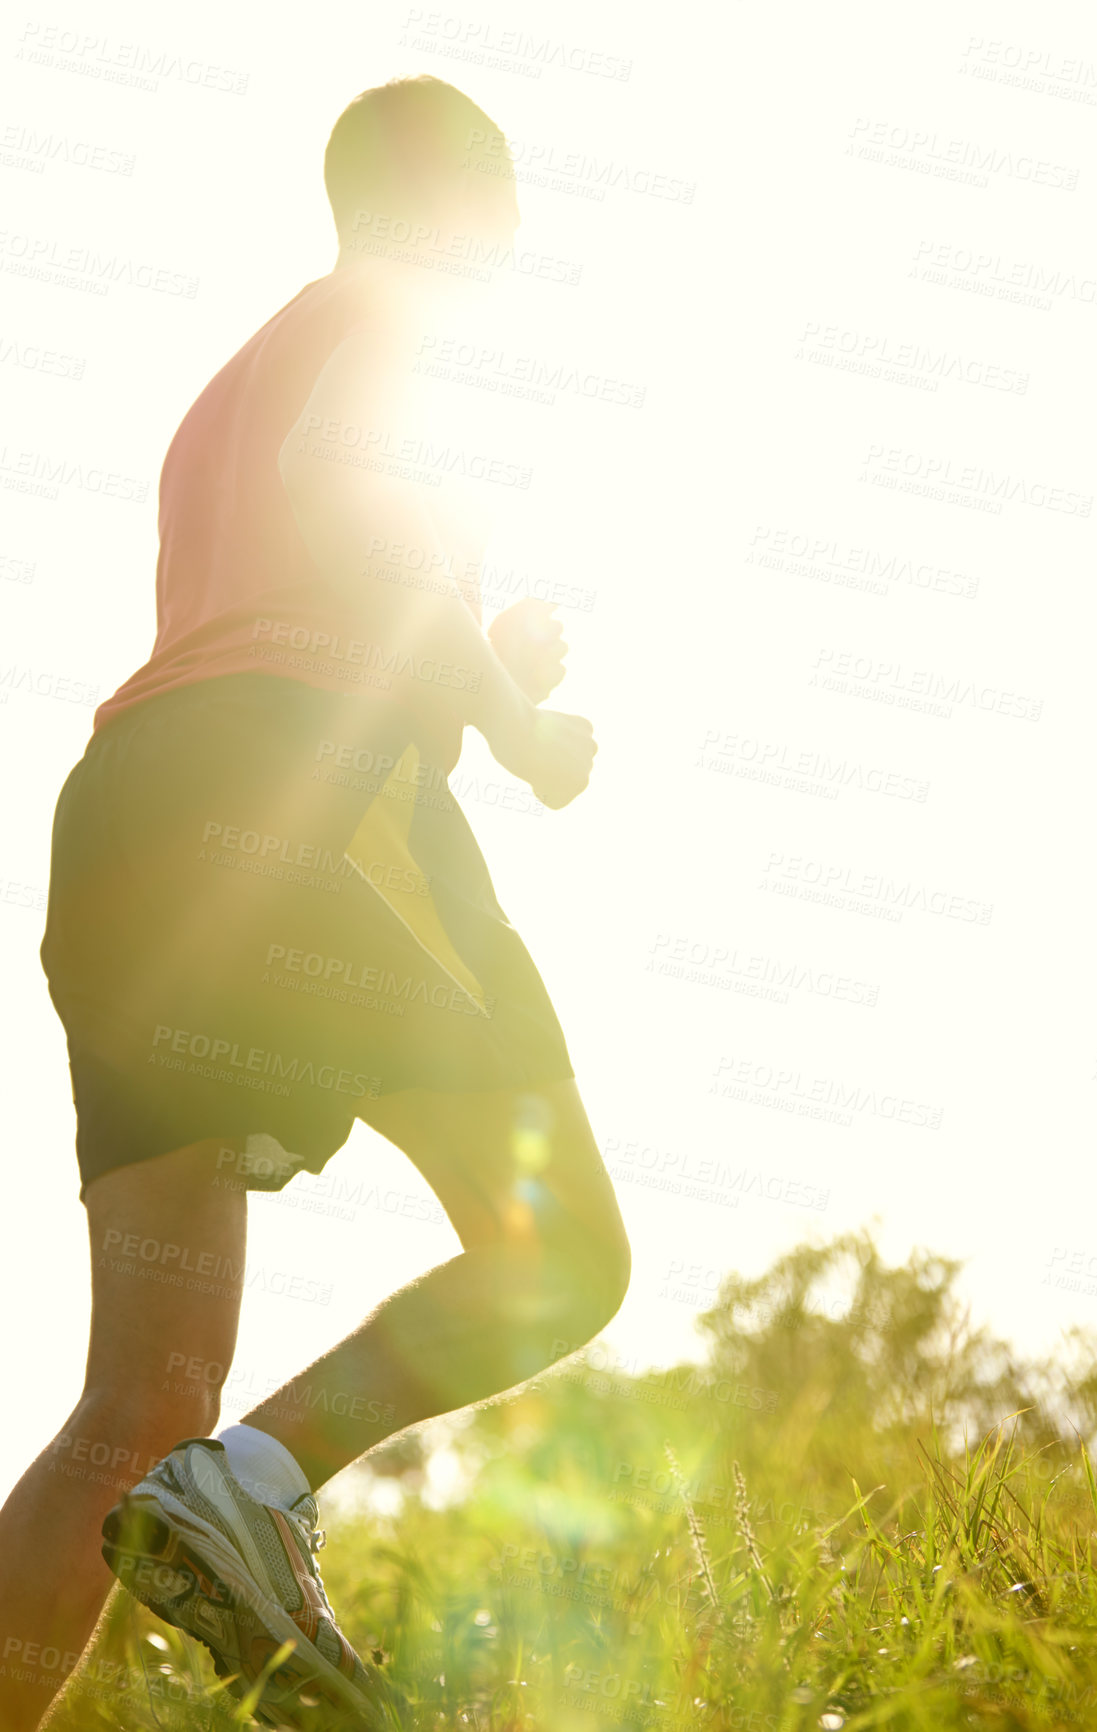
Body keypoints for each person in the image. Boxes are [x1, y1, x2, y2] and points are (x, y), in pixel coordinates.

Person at [0, 75, 631, 1731]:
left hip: (135, 824)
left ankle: (203, 1490)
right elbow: (352, 505)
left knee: (137, 1407)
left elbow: (308, 590)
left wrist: (472, 671)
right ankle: (260, 1484)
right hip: (281, 811)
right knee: (560, 1257)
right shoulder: (395, 317)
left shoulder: (244, 372)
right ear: (457, 212)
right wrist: (515, 726)